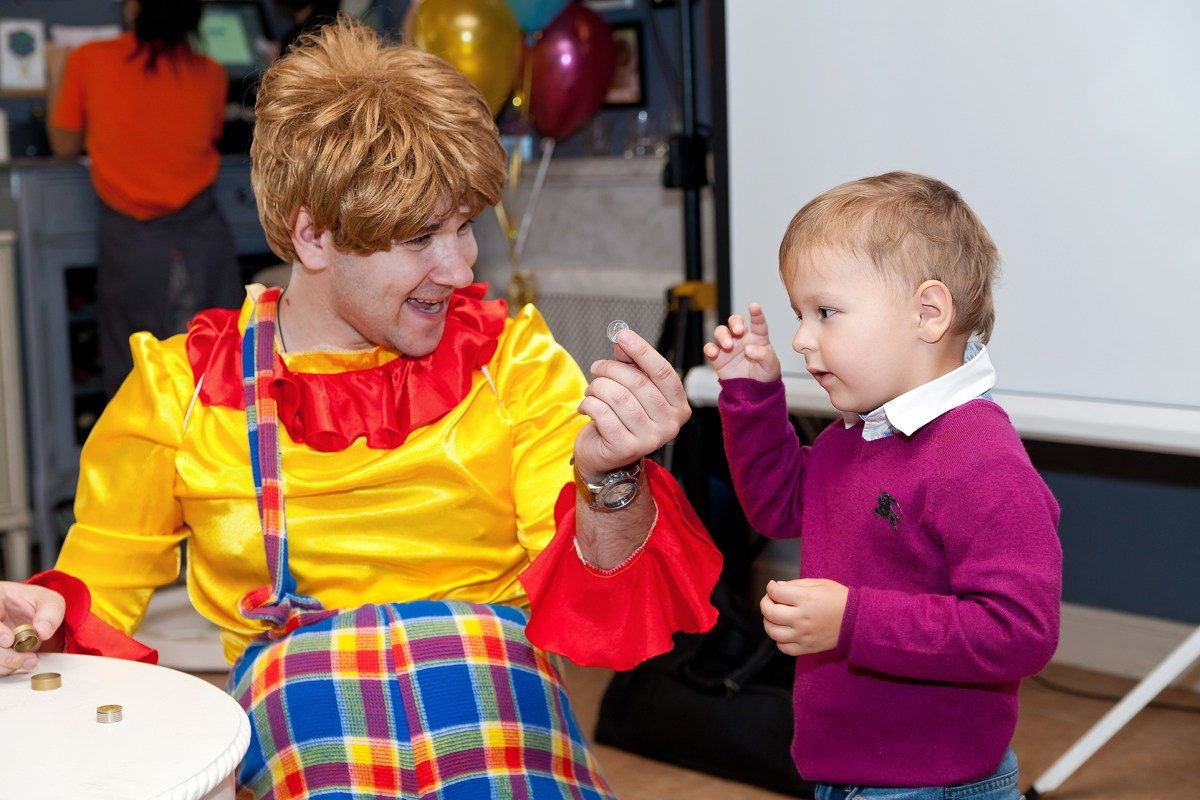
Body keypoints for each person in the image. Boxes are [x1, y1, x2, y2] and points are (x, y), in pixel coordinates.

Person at [2, 18, 722, 799]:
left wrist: (611, 479)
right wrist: (31, 620)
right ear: (312, 236)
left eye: (465, 227)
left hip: (495, 697)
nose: (460, 266)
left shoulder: (511, 362)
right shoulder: (180, 390)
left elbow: (602, 602)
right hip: (299, 724)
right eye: (420, 238)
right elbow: (91, 595)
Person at [704, 171, 1062, 799]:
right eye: (799, 314)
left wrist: (852, 621)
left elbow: (1019, 630)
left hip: (933, 784)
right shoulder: (860, 436)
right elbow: (780, 503)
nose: (800, 339)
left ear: (929, 312)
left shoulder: (979, 459)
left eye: (826, 313)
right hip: (843, 771)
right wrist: (754, 396)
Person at [46, 0, 243, 398]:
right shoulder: (211, 74)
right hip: (204, 240)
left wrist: (56, 73)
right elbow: (208, 134)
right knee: (217, 369)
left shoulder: (89, 60)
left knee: (137, 377)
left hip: (132, 245)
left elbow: (63, 144)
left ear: (134, 7)